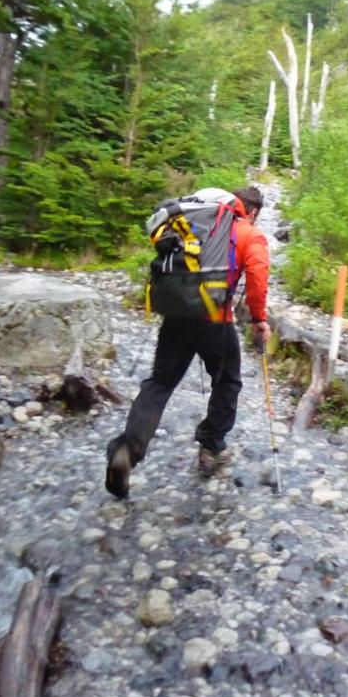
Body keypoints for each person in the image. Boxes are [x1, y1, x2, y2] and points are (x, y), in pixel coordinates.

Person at [105, 186, 271, 499]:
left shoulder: (198, 224)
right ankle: (211, 447)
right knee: (227, 382)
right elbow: (258, 279)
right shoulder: (249, 233)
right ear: (252, 212)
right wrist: (259, 319)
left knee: (159, 384)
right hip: (215, 321)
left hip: (177, 315)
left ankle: (127, 450)